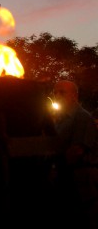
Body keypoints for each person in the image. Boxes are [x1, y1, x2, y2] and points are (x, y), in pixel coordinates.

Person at [52, 80, 98, 228]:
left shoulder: (82, 117)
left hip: (81, 182)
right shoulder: (61, 119)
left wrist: (53, 168)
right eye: (55, 92)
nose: (57, 95)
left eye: (62, 92)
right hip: (68, 179)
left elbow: (77, 151)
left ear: (74, 96)